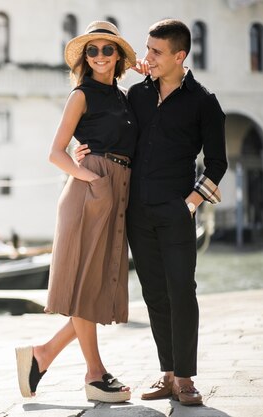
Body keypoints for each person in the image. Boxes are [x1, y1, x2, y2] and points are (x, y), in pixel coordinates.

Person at [75, 19, 228, 406]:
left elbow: (217, 164)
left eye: (156, 52)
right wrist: (86, 150)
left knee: (182, 292)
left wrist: (191, 204)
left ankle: (187, 379)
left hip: (176, 212)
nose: (147, 58)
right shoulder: (136, 96)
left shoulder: (204, 101)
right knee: (155, 295)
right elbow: (109, 127)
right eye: (147, 50)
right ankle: (168, 374)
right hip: (136, 213)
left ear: (180, 56)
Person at [15, 21, 137, 403]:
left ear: (118, 56)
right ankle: (95, 374)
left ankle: (43, 354)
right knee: (87, 286)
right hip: (91, 189)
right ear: (85, 57)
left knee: (97, 288)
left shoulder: (124, 97)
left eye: (108, 49)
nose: (100, 55)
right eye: (93, 50)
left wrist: (142, 70)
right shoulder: (80, 95)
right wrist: (90, 177)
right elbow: (55, 152)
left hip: (116, 188)